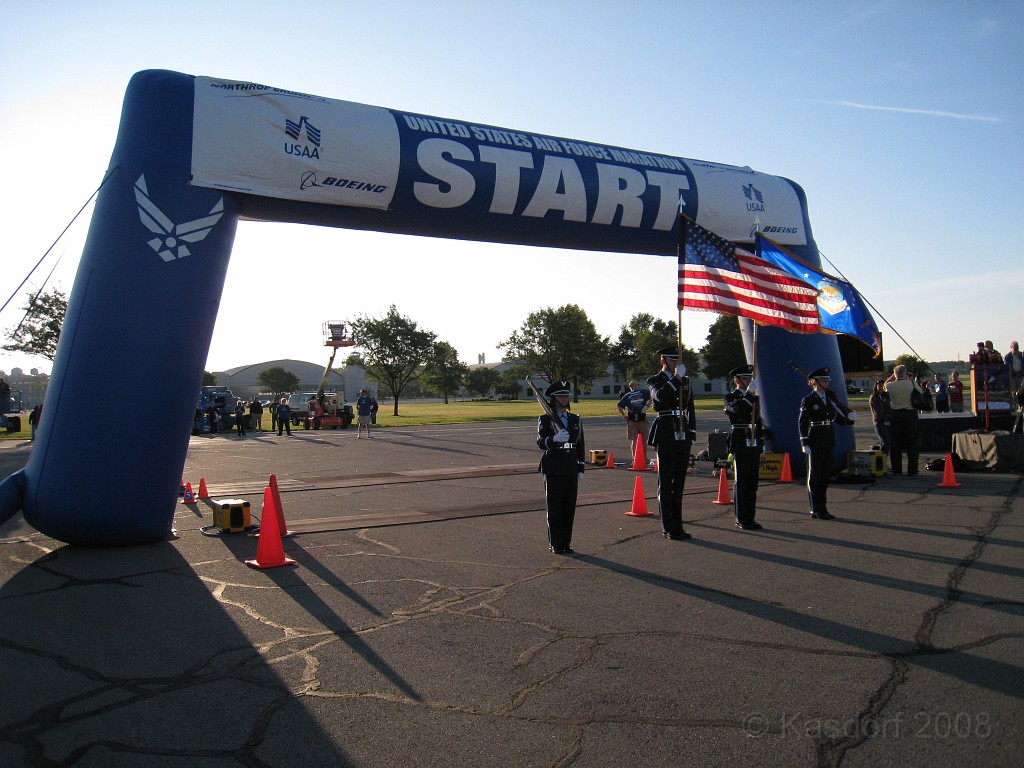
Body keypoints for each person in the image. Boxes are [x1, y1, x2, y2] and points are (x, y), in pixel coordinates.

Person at [646, 346, 696, 540]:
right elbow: (660, 397)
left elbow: (690, 407)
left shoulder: (686, 381)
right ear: (663, 361)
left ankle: (679, 525)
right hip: (666, 430)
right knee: (666, 482)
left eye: (678, 359)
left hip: (682, 431)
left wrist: (691, 432)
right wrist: (675, 379)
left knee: (680, 483)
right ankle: (668, 526)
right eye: (672, 359)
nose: (676, 362)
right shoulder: (655, 380)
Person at [798, 368, 855, 519]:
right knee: (815, 475)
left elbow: (835, 418)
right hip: (815, 438)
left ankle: (823, 508)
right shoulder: (809, 400)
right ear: (815, 382)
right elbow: (802, 422)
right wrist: (804, 441)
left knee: (824, 475)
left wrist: (849, 419)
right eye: (824, 380)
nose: (827, 382)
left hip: (828, 438)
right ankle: (816, 508)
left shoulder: (829, 400)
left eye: (827, 380)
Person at [536, 380, 585, 554]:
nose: (564, 399)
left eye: (566, 395)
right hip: (554, 466)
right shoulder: (546, 419)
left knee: (569, 507)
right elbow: (541, 442)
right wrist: (554, 440)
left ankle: (566, 542)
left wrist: (580, 467)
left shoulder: (575, 419)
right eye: (561, 396)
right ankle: (556, 543)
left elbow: (580, 444)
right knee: (555, 507)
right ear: (554, 398)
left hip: (571, 466)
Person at [723, 364, 762, 531]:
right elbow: (738, 411)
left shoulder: (755, 397)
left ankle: (750, 517)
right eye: (745, 378)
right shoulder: (730, 397)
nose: (749, 380)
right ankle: (741, 518)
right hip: (740, 438)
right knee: (742, 481)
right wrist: (749, 395)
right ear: (737, 380)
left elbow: (758, 418)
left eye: (750, 378)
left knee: (752, 481)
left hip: (753, 439)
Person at [884, 364, 922, 476]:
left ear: (895, 374)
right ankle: (912, 470)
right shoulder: (911, 383)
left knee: (895, 443)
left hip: (896, 414)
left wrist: (892, 376)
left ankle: (897, 469)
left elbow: (885, 385)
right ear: (905, 374)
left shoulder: (890, 385)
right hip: (910, 414)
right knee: (913, 443)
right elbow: (920, 392)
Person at [616, 380, 651, 457]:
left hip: (631, 418)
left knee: (634, 440)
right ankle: (644, 458)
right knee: (643, 440)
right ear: (636, 385)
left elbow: (619, 406)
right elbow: (652, 395)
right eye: (638, 385)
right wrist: (647, 405)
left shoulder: (627, 395)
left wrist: (624, 415)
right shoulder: (643, 392)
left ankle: (634, 458)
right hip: (642, 418)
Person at [868, 379, 891, 455]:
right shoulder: (874, 397)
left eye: (882, 386)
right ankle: (881, 462)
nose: (881, 388)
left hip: (887, 421)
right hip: (879, 421)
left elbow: (890, 407)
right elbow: (877, 411)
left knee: (883, 442)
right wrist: (885, 416)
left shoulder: (886, 396)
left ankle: (881, 462)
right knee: (886, 441)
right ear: (876, 387)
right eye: (879, 386)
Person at [1005, 341, 1024, 409]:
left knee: (1021, 391)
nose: (1016, 349)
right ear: (1011, 347)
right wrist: (1014, 374)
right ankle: (1016, 405)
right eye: (1014, 347)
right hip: (1013, 377)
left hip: (1021, 376)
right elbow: (1007, 367)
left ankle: (1021, 405)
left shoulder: (1021, 355)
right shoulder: (1008, 357)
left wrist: (1021, 373)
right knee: (1014, 392)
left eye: (1017, 347)